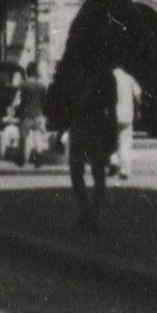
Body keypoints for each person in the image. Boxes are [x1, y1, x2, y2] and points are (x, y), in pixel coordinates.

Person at [59, 67, 119, 232]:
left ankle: (88, 213)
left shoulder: (77, 73)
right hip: (95, 126)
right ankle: (91, 215)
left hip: (82, 126)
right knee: (95, 172)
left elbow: (68, 105)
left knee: (78, 170)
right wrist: (113, 139)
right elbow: (112, 109)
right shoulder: (106, 75)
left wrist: (61, 130)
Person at [109, 63, 141, 181]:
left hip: (113, 115)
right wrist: (138, 110)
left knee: (112, 141)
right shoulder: (129, 79)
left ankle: (113, 162)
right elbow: (138, 95)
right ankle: (124, 170)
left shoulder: (110, 79)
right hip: (127, 114)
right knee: (125, 142)